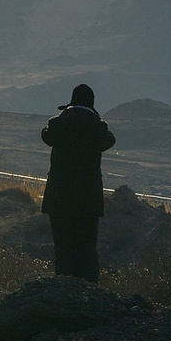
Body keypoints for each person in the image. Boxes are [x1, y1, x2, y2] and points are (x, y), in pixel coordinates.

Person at [41, 84, 116, 282]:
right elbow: (110, 141)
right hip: (88, 199)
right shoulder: (98, 127)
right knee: (87, 248)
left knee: (63, 247)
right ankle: (88, 292)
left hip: (58, 197)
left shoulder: (58, 124)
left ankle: (64, 290)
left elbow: (45, 135)